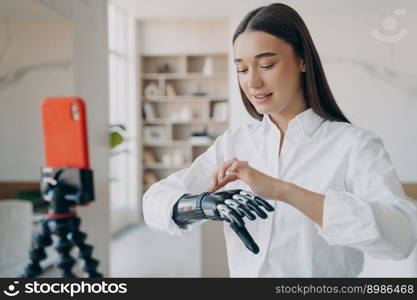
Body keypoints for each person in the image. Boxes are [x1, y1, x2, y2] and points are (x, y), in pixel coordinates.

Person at [143, 3, 417, 277]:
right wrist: (203, 205)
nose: (253, 82)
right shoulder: (234, 143)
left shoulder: (354, 145)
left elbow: (401, 237)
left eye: (266, 64)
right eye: (242, 69)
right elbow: (154, 201)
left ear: (302, 61)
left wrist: (284, 191)